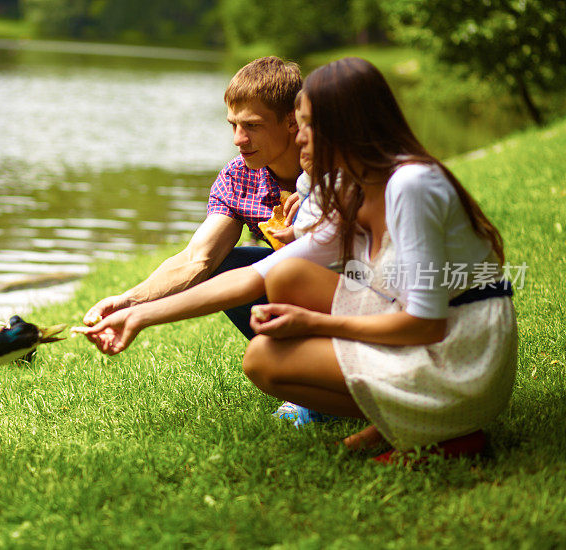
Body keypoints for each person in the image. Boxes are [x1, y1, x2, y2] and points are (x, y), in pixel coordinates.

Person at [76, 57, 518, 462]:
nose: (299, 134)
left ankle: (445, 427)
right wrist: (137, 313)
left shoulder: (411, 186)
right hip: (423, 335)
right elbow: (254, 276)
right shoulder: (346, 190)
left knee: (266, 357)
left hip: (462, 358)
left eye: (305, 124)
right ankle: (398, 419)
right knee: (284, 277)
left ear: (344, 127)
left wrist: (314, 325)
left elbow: (428, 323)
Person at [82, 56, 329, 424]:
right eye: (233, 125)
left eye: (252, 126)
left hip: (350, 288)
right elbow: (199, 258)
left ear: (292, 122)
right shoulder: (238, 175)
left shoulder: (334, 167)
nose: (238, 140)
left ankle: (337, 380)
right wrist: (128, 302)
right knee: (228, 266)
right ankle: (305, 376)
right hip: (291, 283)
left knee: (284, 270)